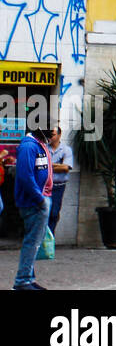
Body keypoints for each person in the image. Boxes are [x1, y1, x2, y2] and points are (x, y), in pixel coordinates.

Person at [12, 120, 52, 291]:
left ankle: (28, 277)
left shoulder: (38, 144)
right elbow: (25, 175)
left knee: (34, 241)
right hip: (34, 202)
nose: (53, 132)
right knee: (32, 242)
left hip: (39, 200)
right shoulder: (30, 146)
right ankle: (22, 280)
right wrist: (39, 198)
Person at [47, 127, 74, 234]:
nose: (50, 137)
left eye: (53, 134)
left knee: (54, 212)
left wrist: (50, 166)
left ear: (59, 135)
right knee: (45, 211)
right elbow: (41, 166)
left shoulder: (66, 150)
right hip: (46, 185)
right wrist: (58, 165)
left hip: (59, 185)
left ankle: (51, 235)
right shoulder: (44, 148)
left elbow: (66, 168)